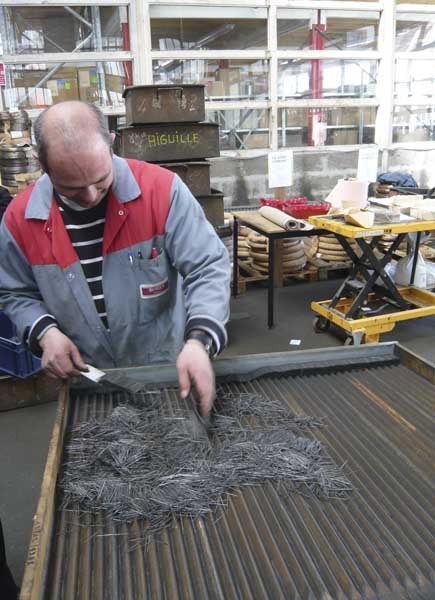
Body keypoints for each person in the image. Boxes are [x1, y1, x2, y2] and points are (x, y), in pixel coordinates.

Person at [0, 101, 230, 416]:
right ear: (41, 164)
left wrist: (199, 342)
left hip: (167, 372)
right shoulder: (19, 221)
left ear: (111, 142)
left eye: (101, 180)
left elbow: (208, 267)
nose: (92, 196)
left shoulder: (161, 192)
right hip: (90, 382)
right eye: (73, 189)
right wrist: (44, 332)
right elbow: (16, 292)